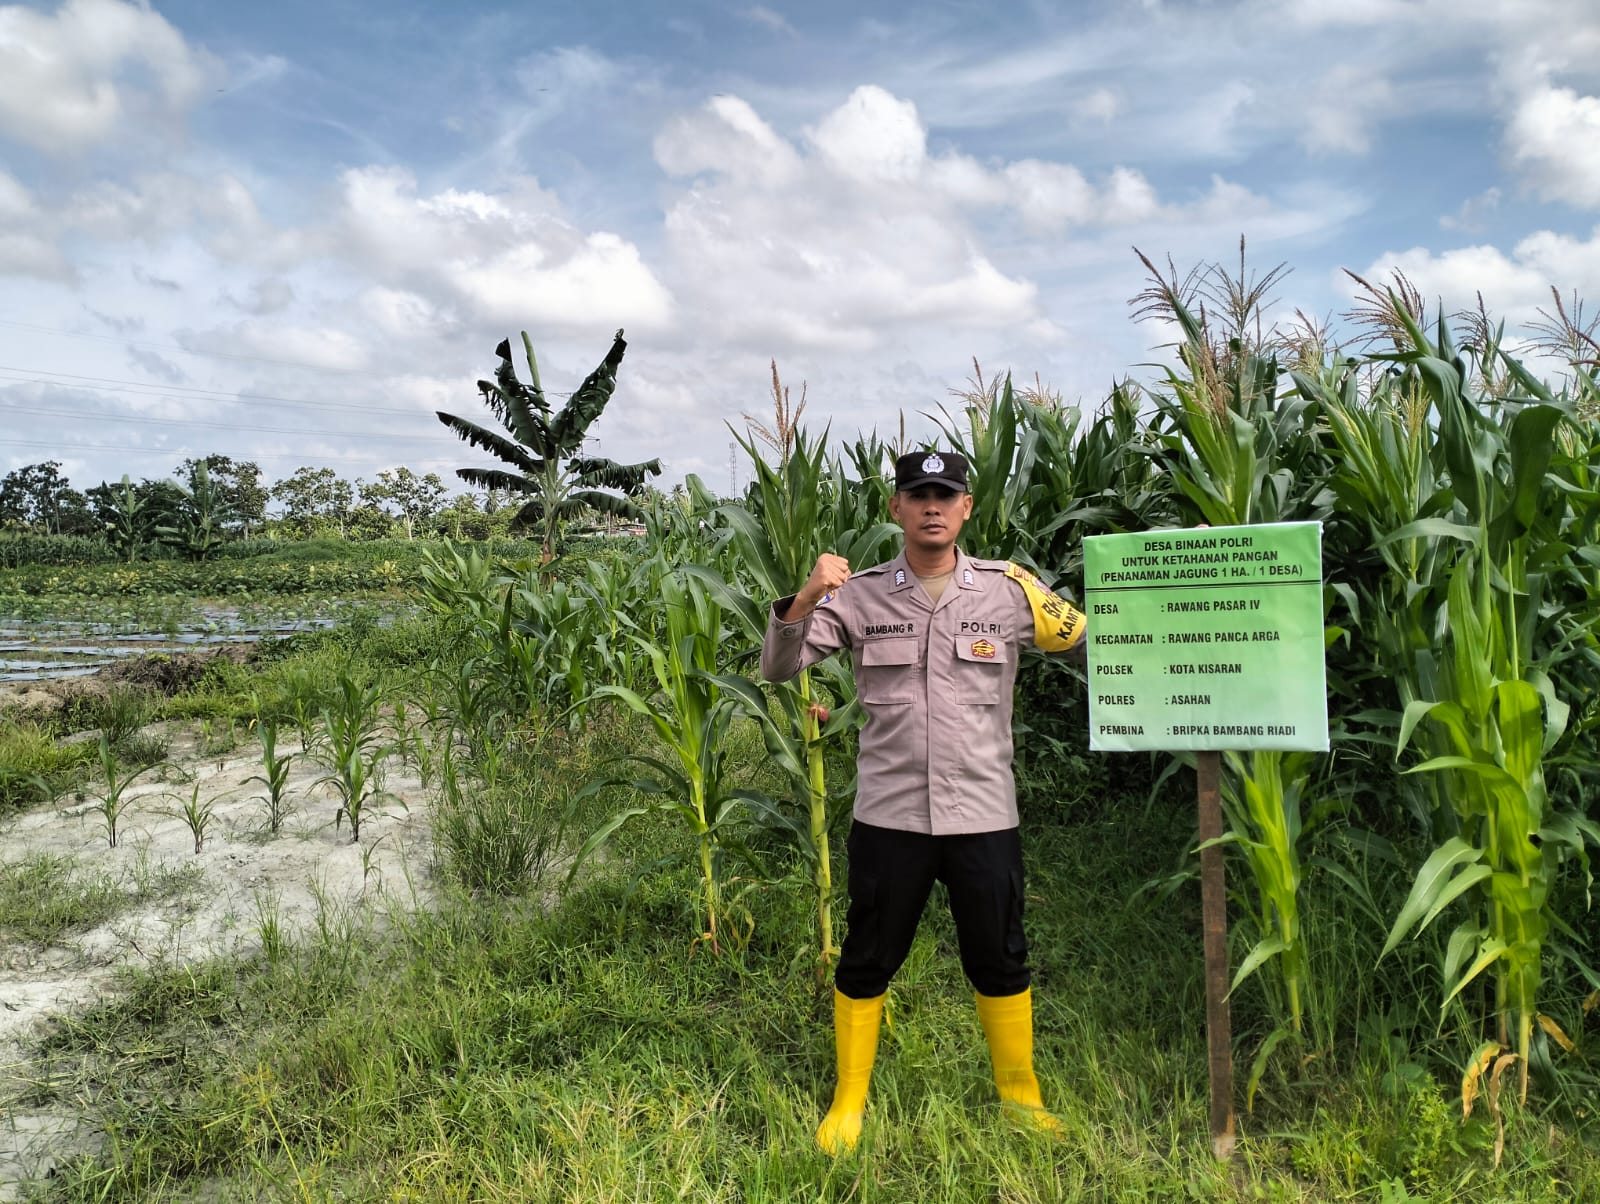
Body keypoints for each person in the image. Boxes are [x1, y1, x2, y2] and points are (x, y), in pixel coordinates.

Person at [760, 448, 1088, 1154]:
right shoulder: (858, 595)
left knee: (1000, 954)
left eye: (945, 493)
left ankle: (1020, 1098)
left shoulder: (1010, 591)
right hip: (890, 816)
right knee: (868, 956)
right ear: (896, 509)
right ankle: (849, 1101)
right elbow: (778, 665)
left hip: (983, 814)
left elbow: (1092, 647)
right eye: (917, 494)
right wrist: (809, 592)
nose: (931, 505)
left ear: (968, 506)